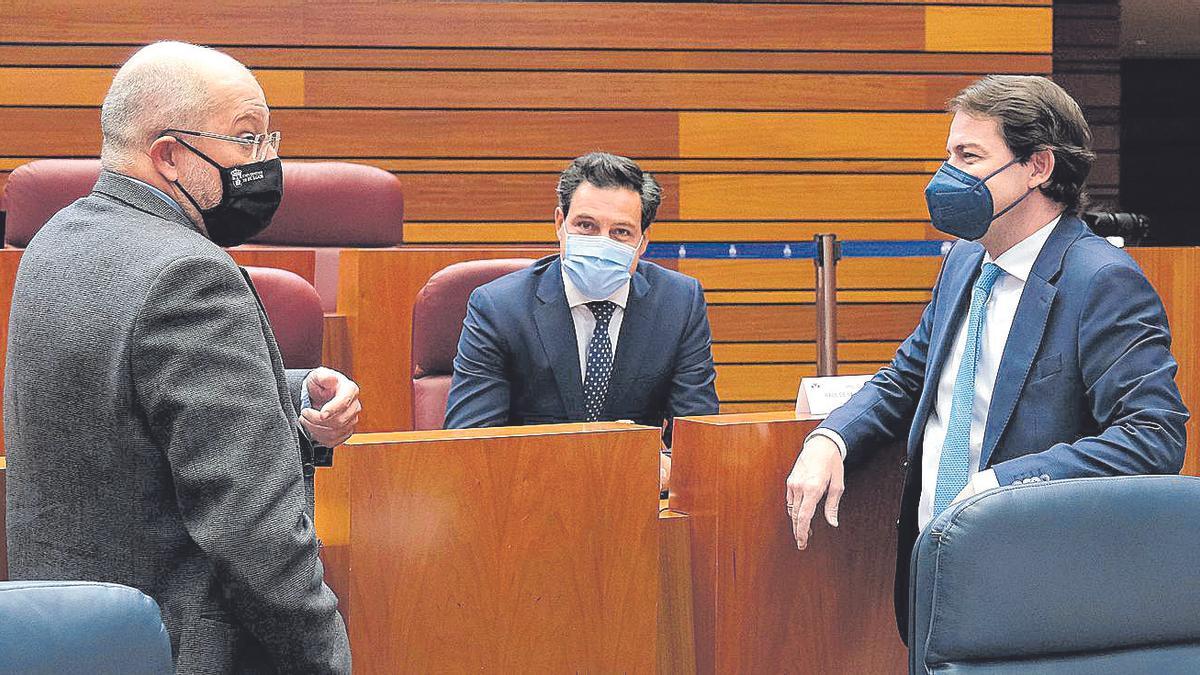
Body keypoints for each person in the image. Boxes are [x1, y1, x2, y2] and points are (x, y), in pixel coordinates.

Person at [783, 75, 1188, 638]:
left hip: (1034, 585)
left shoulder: (1102, 279)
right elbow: (908, 377)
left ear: (1038, 167)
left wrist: (1004, 484)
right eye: (949, 154)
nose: (947, 174)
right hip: (934, 572)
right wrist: (832, 437)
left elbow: (1152, 436)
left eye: (968, 157)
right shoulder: (964, 262)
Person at [4, 42, 357, 673]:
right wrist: (325, 659)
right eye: (248, 140)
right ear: (168, 155)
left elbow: (114, 402)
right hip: (179, 647)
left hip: (62, 637)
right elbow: (254, 532)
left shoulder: (55, 239)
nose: (268, 162)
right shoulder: (191, 273)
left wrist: (288, 396)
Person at [443, 152, 719, 489]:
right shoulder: (499, 308)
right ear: (560, 223)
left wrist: (671, 467)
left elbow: (700, 442)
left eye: (620, 232)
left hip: (635, 510)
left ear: (643, 241)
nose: (601, 244)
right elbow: (468, 444)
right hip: (526, 507)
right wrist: (603, 466)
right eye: (586, 226)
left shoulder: (678, 303)